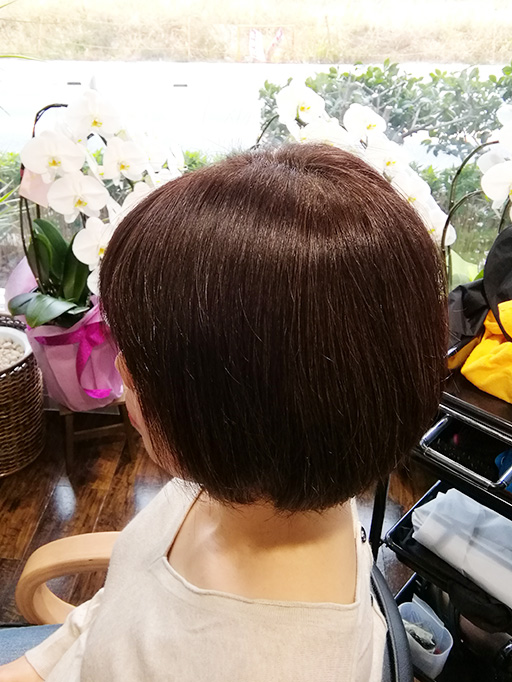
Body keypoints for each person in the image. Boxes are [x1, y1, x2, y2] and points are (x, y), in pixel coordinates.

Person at [0, 144, 447, 681]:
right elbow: (116, 612)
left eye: (139, 358)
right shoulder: (267, 477)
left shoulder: (246, 665)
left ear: (236, 409)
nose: (121, 368)